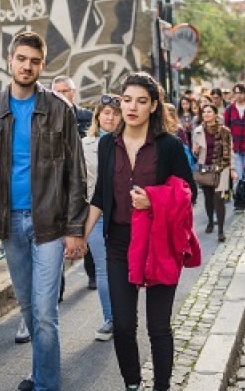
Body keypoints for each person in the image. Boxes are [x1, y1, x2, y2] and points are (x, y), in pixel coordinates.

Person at [0, 31, 88, 391]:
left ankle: (46, 385)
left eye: (35, 61)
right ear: (10, 60)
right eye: (21, 59)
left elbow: (75, 173)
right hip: (9, 224)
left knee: (45, 313)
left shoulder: (59, 108)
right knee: (28, 309)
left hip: (49, 224)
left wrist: (74, 228)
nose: (27, 66)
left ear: (42, 65)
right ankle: (40, 375)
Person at [86, 72, 197, 391]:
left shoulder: (170, 146)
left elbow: (191, 192)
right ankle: (132, 384)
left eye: (141, 101)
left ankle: (161, 386)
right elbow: (100, 194)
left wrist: (155, 198)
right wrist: (81, 236)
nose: (132, 107)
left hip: (159, 243)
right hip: (119, 244)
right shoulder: (107, 144)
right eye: (127, 100)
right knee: (122, 325)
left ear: (153, 106)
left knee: (158, 326)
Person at [81, 93, 122, 341]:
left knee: (125, 268)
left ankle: (124, 313)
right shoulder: (85, 144)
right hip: (96, 213)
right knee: (103, 269)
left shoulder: (129, 142)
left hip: (125, 214)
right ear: (98, 116)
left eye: (115, 113)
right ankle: (110, 318)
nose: (110, 117)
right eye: (106, 113)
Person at [51, 75, 94, 294]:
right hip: (57, 187)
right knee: (55, 242)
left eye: (64, 91)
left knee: (85, 230)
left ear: (73, 92)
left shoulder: (86, 117)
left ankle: (92, 273)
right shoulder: (48, 119)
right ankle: (57, 288)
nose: (61, 95)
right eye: (56, 91)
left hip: (84, 182)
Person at [192, 104, 233, 242]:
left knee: (219, 199)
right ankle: (210, 220)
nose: (206, 114)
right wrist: (195, 151)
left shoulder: (224, 131)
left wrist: (231, 169)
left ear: (216, 114)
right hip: (205, 168)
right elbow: (195, 154)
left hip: (221, 168)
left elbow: (229, 150)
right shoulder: (197, 131)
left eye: (209, 111)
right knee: (208, 198)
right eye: (204, 112)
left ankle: (221, 231)